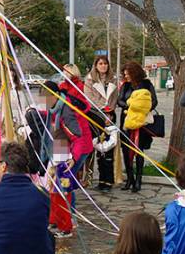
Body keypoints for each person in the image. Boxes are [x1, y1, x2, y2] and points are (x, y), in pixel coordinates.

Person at [117, 62, 157, 192]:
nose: (126, 76)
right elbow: (120, 100)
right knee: (126, 150)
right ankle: (130, 179)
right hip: (127, 121)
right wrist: (131, 107)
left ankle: (139, 180)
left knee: (139, 151)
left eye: (128, 74)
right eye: (124, 74)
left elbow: (154, 101)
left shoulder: (147, 84)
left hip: (141, 123)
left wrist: (141, 110)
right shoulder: (125, 85)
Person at [84, 56, 121, 190]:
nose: (103, 66)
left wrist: (109, 111)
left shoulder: (114, 80)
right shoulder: (89, 80)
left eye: (105, 63)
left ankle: (108, 181)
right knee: (99, 149)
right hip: (95, 117)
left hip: (110, 117)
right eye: (100, 63)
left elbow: (115, 97)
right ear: (96, 65)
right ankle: (100, 180)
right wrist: (102, 109)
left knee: (109, 150)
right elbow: (89, 98)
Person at [47, 128, 79, 239]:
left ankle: (66, 229)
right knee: (55, 205)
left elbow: (66, 177)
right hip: (56, 188)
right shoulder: (59, 159)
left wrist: (65, 189)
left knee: (63, 208)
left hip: (63, 189)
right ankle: (55, 222)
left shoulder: (67, 162)